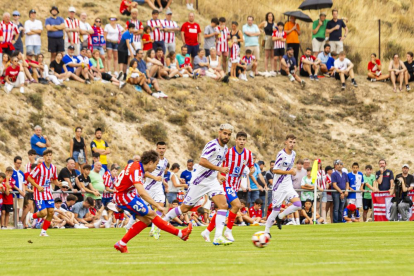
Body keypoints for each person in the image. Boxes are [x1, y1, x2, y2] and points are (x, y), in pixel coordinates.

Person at [163, 124, 234, 246]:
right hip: (200, 181)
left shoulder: (225, 148)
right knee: (185, 208)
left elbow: (216, 164)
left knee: (223, 205)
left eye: (229, 134)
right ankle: (160, 223)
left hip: (212, 181)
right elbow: (202, 161)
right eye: (225, 133)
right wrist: (219, 168)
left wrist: (218, 175)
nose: (226, 136)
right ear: (219, 132)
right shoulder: (212, 144)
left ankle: (217, 237)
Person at [113, 150, 193, 253]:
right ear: (150, 162)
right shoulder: (137, 170)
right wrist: (157, 205)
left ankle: (121, 244)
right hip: (124, 197)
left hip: (127, 194)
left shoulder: (137, 165)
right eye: (155, 164)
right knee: (152, 214)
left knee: (147, 220)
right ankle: (181, 234)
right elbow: (142, 192)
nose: (156, 167)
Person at [202, 131, 255, 242]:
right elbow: (218, 164)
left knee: (223, 208)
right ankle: (228, 231)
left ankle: (207, 231)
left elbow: (251, 166)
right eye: (239, 139)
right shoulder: (228, 152)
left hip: (235, 185)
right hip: (226, 182)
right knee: (236, 204)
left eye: (243, 140)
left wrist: (252, 169)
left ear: (246, 141)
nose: (241, 141)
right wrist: (219, 175)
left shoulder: (248, 154)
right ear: (235, 140)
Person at [264, 134, 302, 233]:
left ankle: (280, 217)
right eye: (290, 142)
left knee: (298, 204)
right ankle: (266, 231)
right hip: (279, 186)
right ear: (285, 142)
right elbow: (275, 170)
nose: (292, 144)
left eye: (294, 142)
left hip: (288, 184)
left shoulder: (293, 154)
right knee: (275, 209)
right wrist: (289, 172)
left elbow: (288, 168)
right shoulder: (281, 154)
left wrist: (291, 171)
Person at [27, 149, 61, 236]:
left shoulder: (53, 168)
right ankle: (31, 216)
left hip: (48, 192)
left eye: (50, 155)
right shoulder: (39, 167)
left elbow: (54, 180)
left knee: (51, 212)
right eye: (47, 155)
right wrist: (37, 186)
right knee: (43, 213)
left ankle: (43, 232)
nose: (49, 157)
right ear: (44, 157)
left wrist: (59, 184)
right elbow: (29, 178)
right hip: (39, 193)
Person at [143, 141, 170, 238]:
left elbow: (161, 175)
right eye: (160, 148)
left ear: (165, 149)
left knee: (160, 206)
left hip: (158, 188)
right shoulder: (151, 160)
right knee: (140, 210)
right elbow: (143, 172)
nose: (161, 150)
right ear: (156, 148)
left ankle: (154, 229)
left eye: (163, 148)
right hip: (148, 187)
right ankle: (129, 226)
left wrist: (164, 183)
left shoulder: (165, 161)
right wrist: (154, 178)